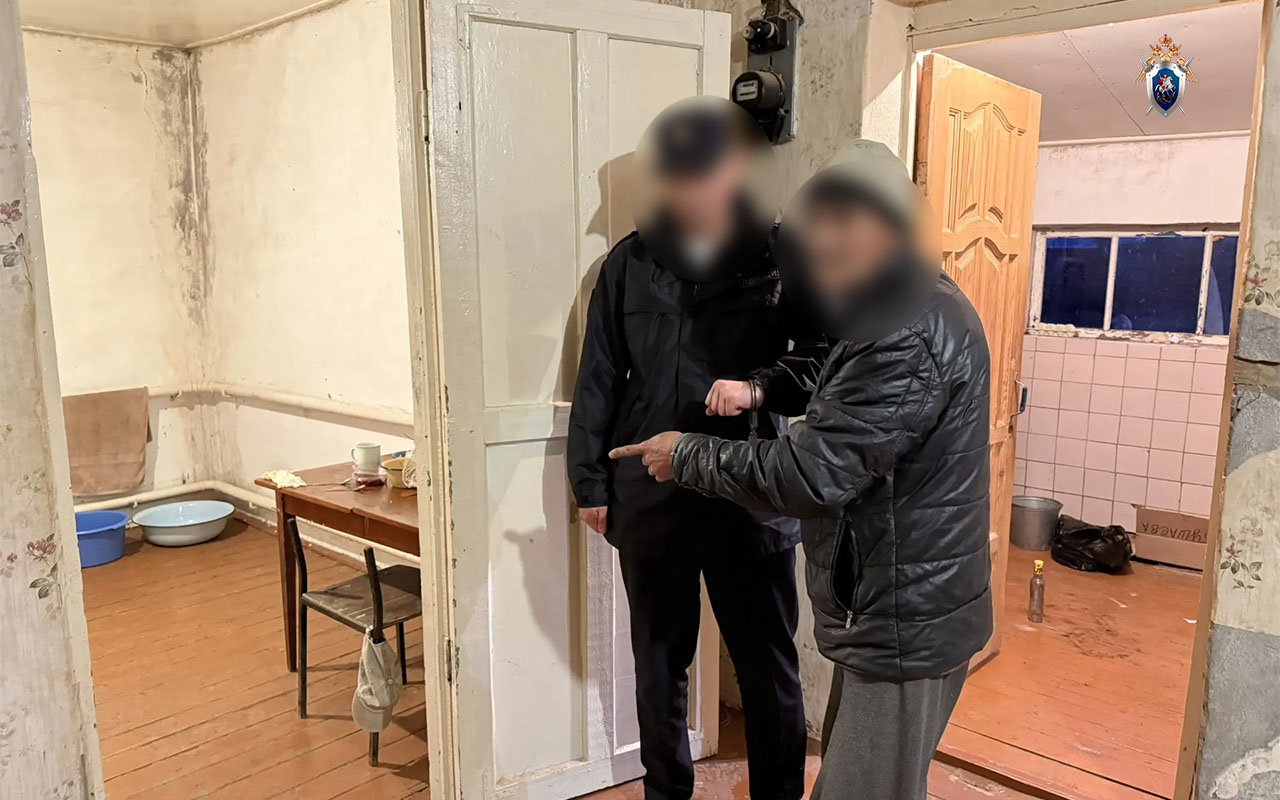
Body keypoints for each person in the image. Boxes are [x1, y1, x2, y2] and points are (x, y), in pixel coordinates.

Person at [610, 139, 993, 799]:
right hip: (895, 605)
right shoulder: (899, 302)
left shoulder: (904, 329)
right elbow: (601, 374)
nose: (827, 243)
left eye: (848, 222)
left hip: (903, 617)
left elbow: (814, 473)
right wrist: (594, 481)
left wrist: (690, 449)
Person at [566, 99, 827, 800]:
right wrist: (590, 482)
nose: (686, 192)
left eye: (700, 175)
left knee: (768, 669)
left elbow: (825, 360)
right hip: (653, 496)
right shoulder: (629, 262)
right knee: (659, 668)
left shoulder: (782, 254)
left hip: (752, 496)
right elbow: (599, 375)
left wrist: (759, 387)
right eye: (674, 177)